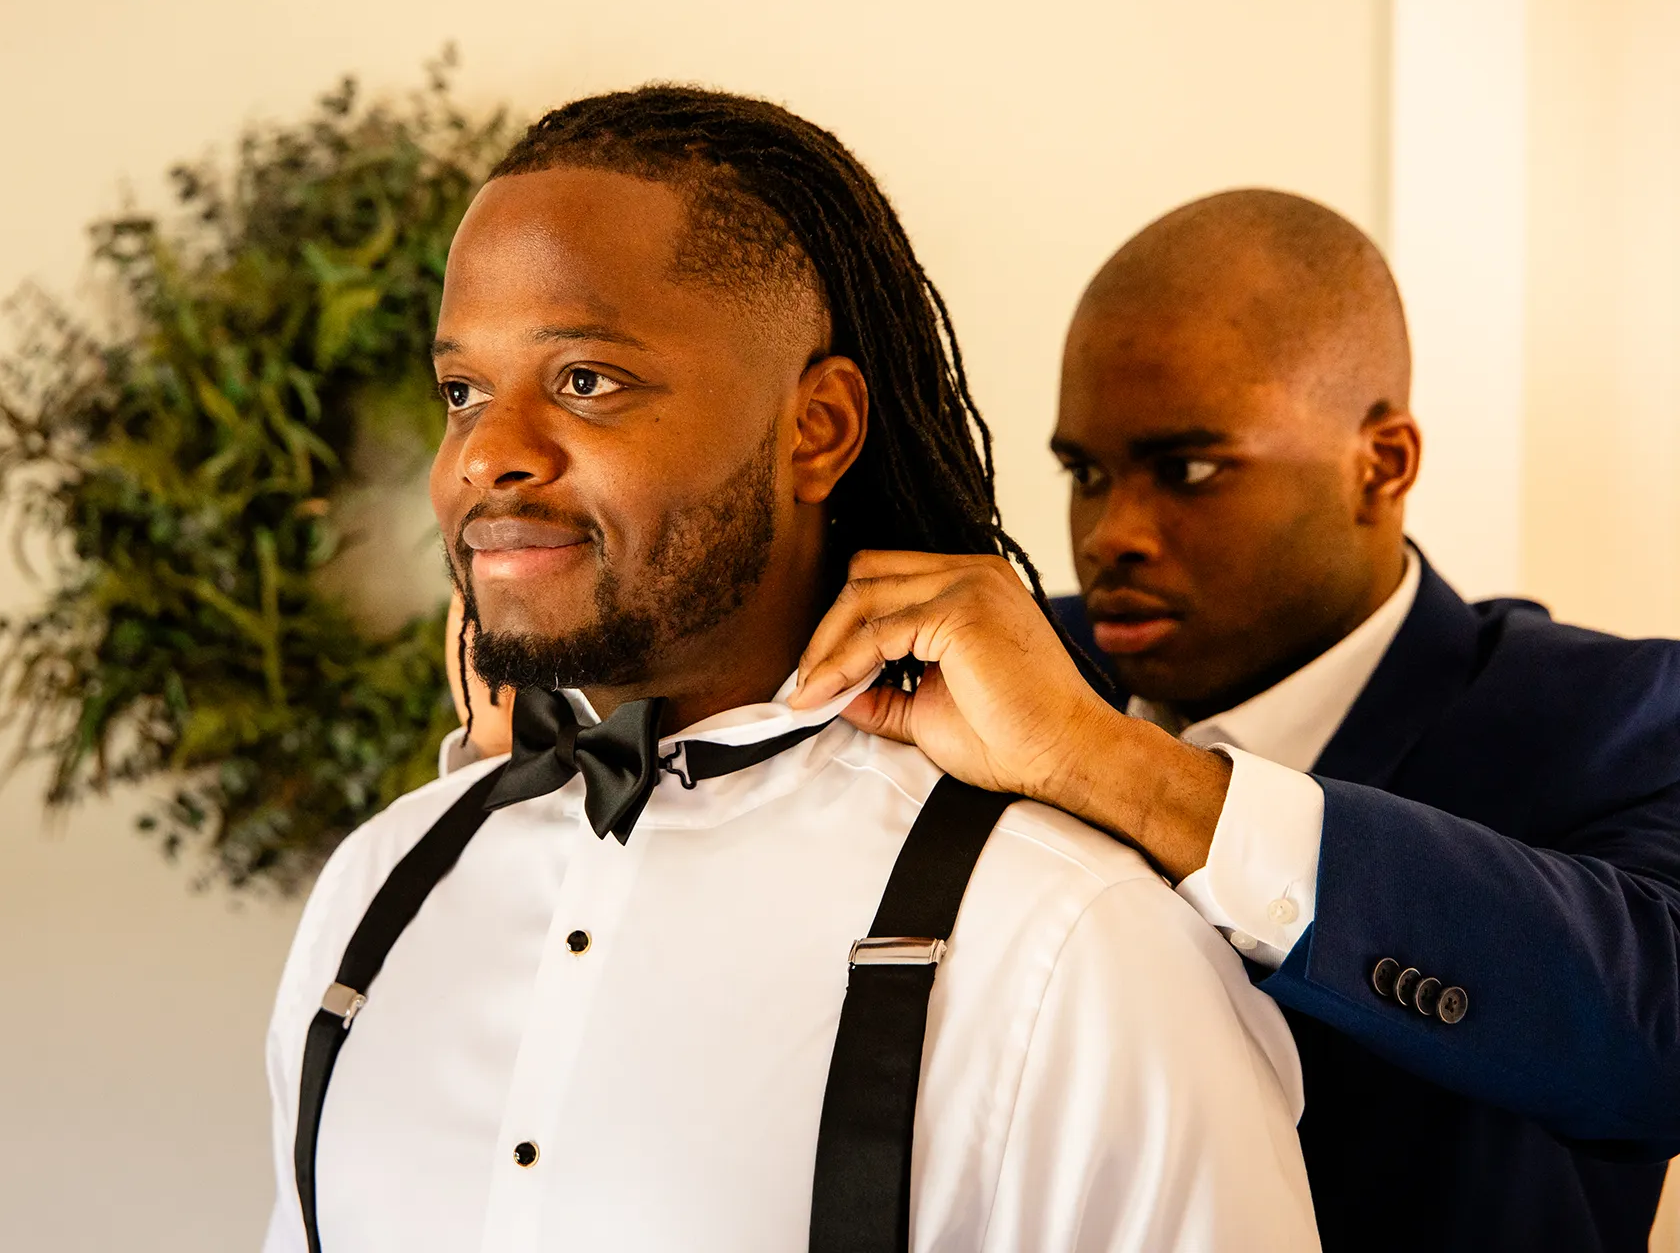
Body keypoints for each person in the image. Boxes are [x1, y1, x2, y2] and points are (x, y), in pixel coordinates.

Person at [262, 92, 1319, 1252]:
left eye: (586, 381)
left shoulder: (1070, 941)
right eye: (462, 390)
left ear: (814, 429)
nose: (487, 454)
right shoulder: (377, 889)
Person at [790, 188, 1680, 1252]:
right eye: (1085, 473)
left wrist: (1121, 768)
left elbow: (1656, 1039)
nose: (1110, 533)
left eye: (1191, 470)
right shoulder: (984, 663)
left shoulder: (1614, 714)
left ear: (1381, 465)